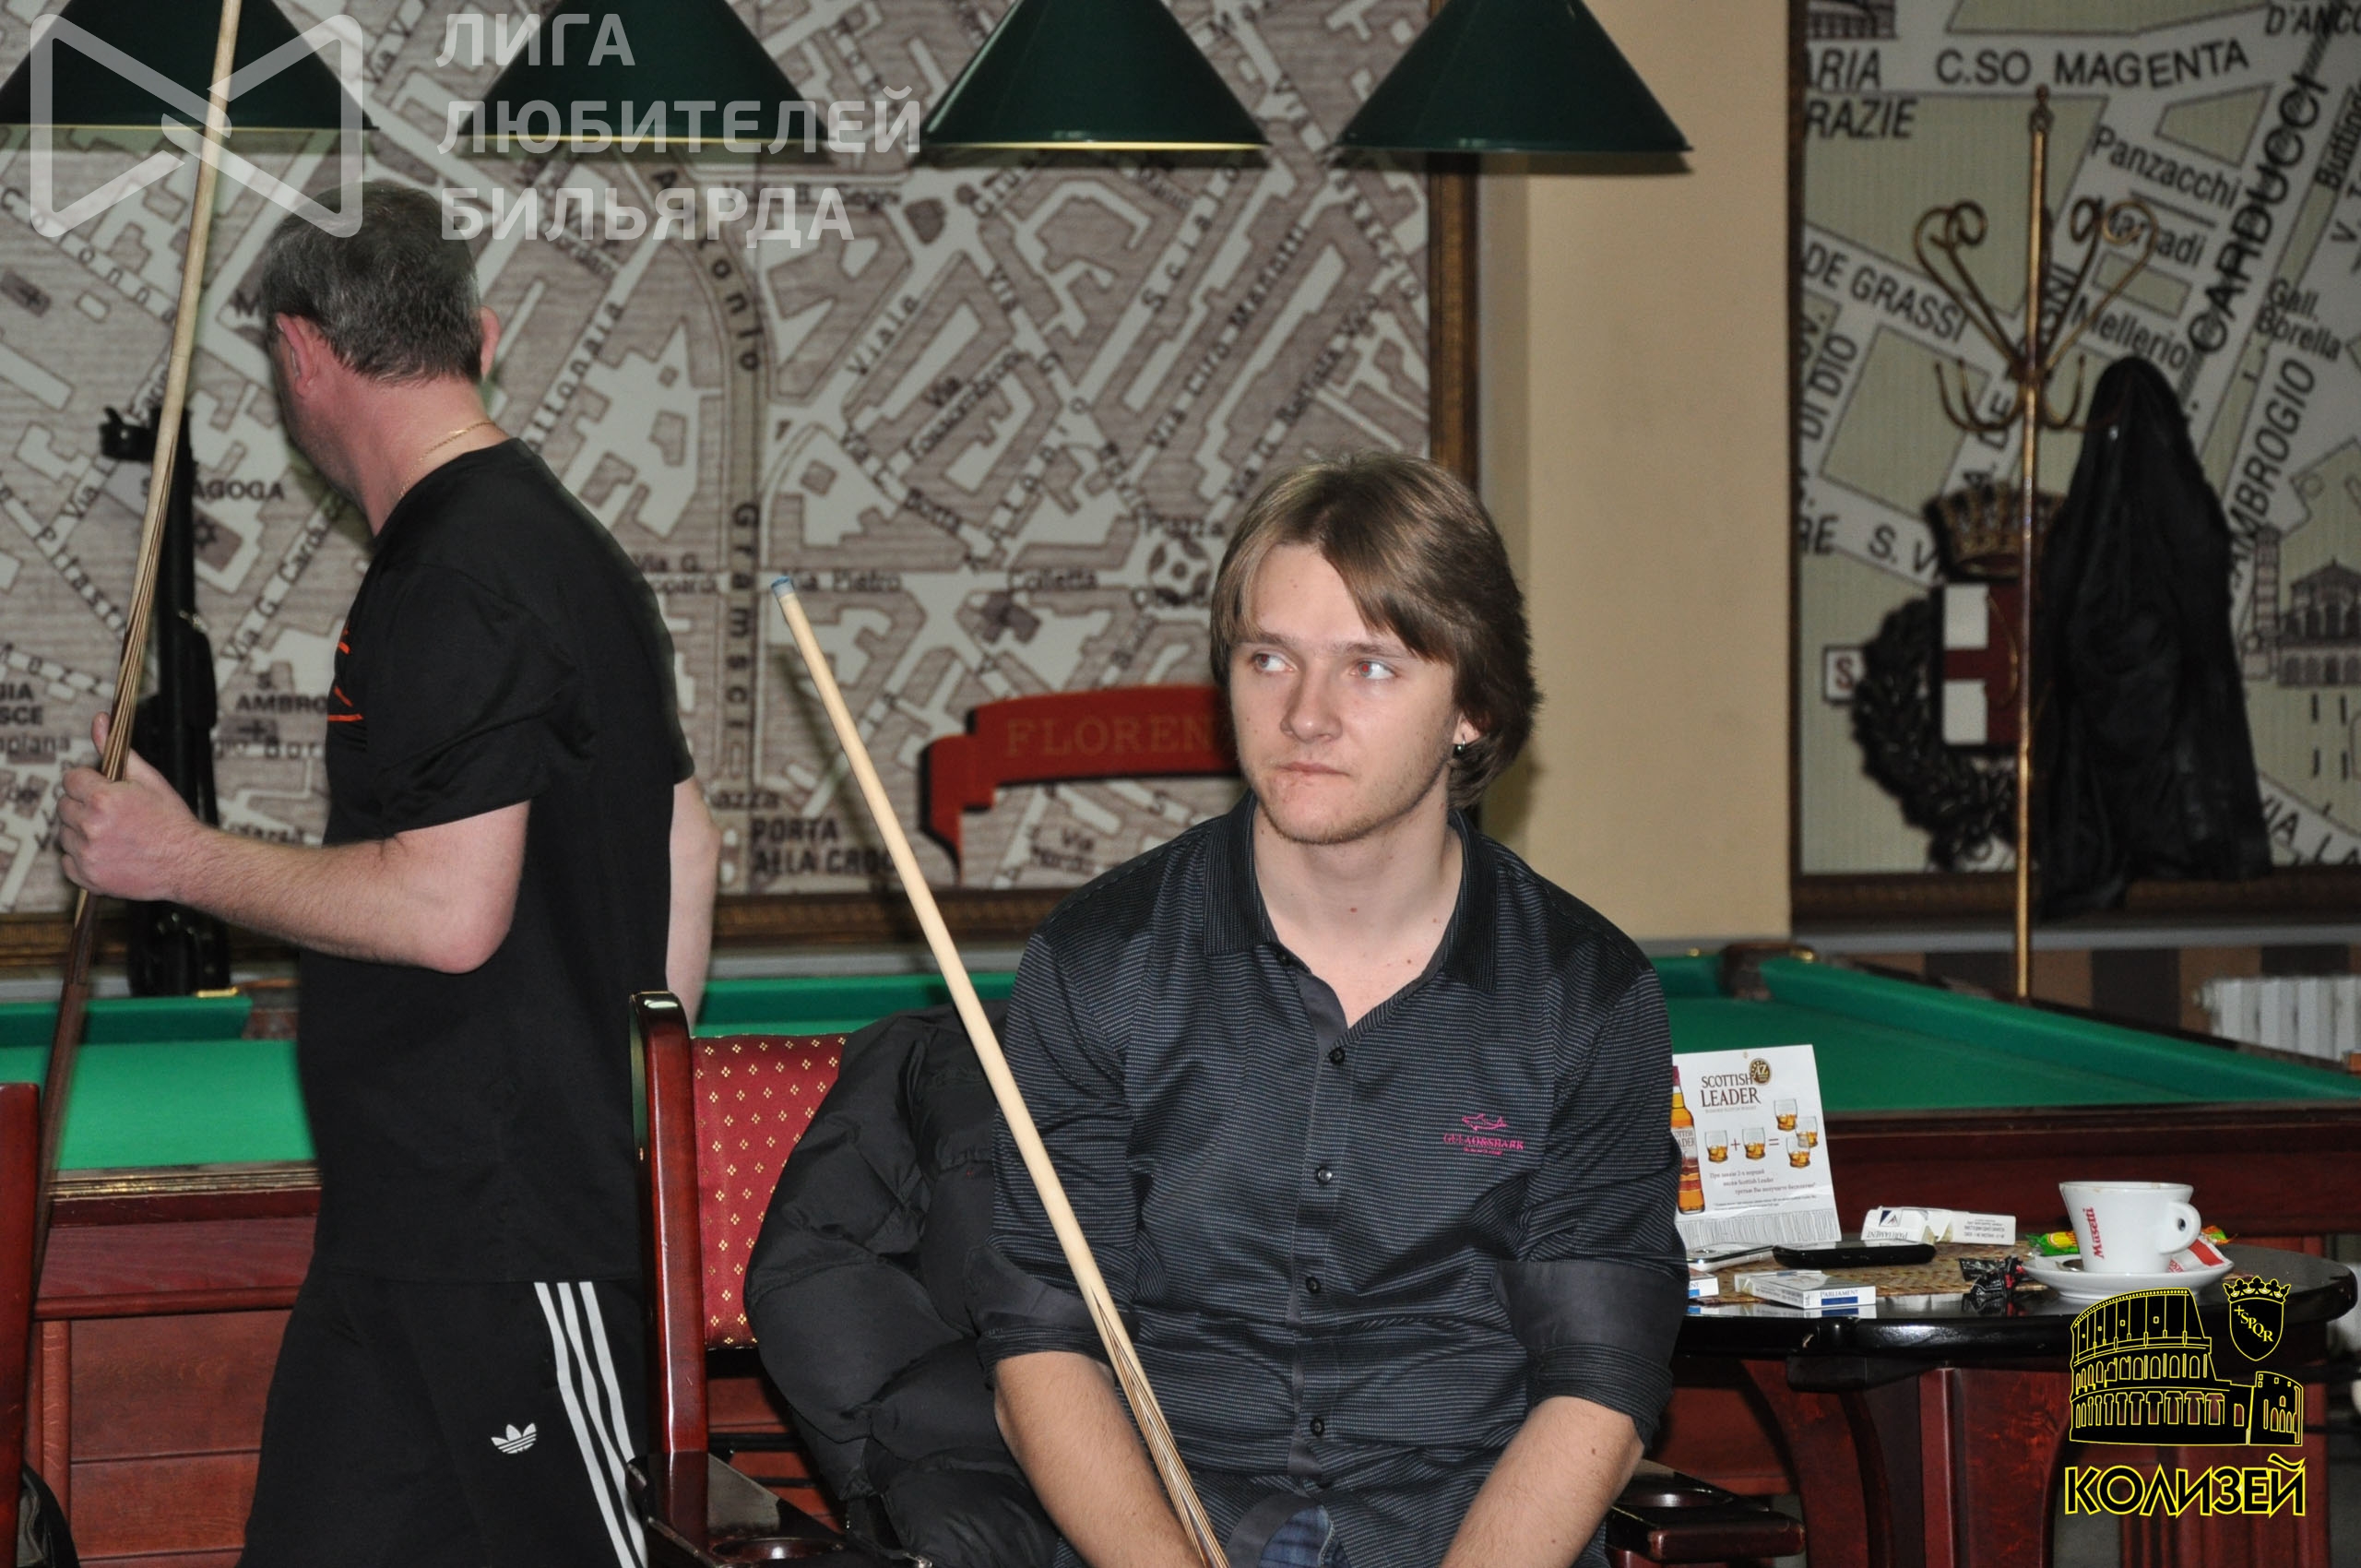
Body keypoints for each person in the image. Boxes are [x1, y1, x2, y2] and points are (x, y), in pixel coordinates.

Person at [54, 182, 720, 1568]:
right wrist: (625, 1097)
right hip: (415, 1227)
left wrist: (176, 858)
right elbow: (684, 838)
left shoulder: (457, 572)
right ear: (480, 335)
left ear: (301, 351)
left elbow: (447, 910)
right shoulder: (553, 541)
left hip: (502, 1230)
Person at [974, 452, 1685, 1568]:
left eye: (1370, 667)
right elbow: (1041, 1342)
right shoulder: (1098, 961)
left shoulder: (1585, 993)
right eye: (1269, 658)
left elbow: (1601, 1374)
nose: (1304, 714)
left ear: (1473, 708)